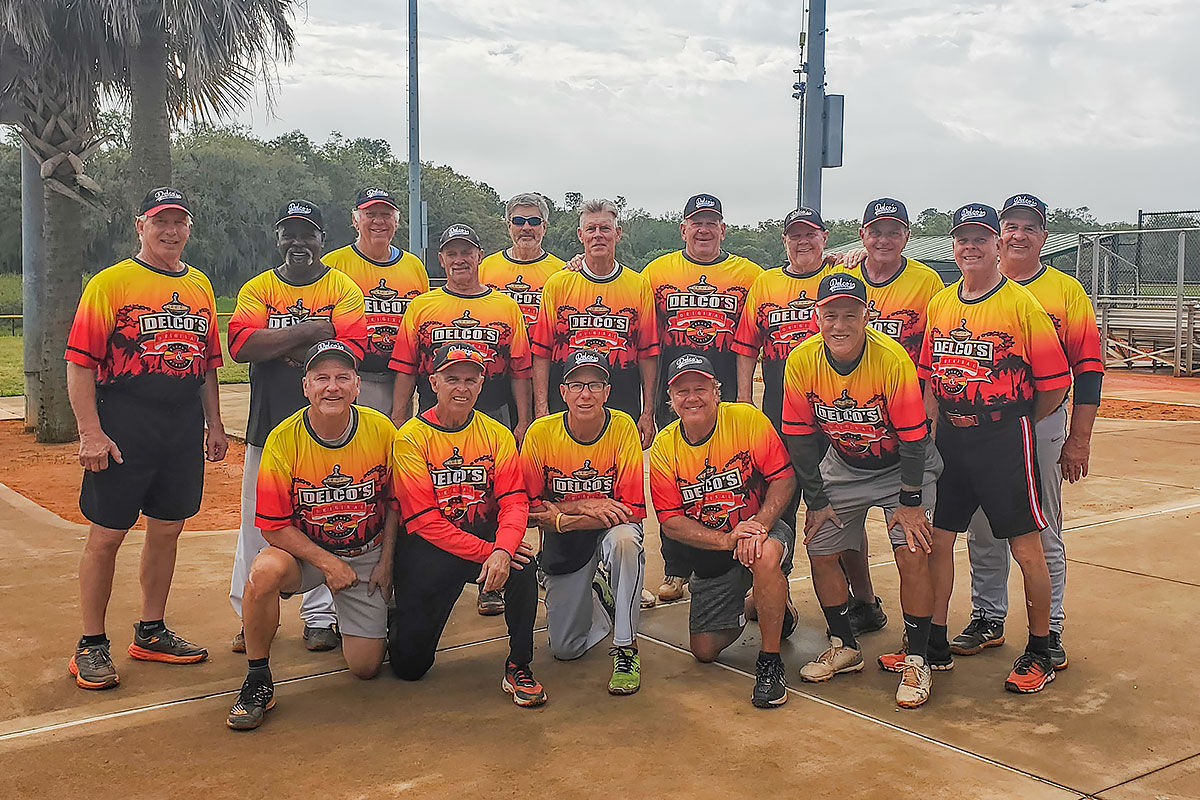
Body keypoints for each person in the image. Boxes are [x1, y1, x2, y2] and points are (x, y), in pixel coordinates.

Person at [882, 203, 1071, 694]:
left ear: (998, 245)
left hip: (1003, 436)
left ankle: (1040, 648)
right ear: (953, 247)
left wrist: (1019, 420)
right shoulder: (943, 302)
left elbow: (1055, 381)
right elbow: (929, 376)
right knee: (940, 539)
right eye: (963, 239)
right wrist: (927, 432)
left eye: (981, 239)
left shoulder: (1019, 304)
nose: (971, 247)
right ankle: (933, 641)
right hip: (953, 437)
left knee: (1025, 545)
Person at [64, 187, 228, 690]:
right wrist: (90, 432)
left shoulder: (199, 285)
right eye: (161, 221)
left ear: (189, 229)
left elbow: (208, 366)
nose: (171, 231)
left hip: (180, 425)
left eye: (179, 222)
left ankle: (151, 631)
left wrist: (215, 423)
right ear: (140, 226)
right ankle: (90, 643)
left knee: (167, 528)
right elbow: (80, 363)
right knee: (108, 533)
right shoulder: (111, 283)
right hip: (124, 420)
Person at [951, 194, 1104, 671]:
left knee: (1041, 527)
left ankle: (1049, 626)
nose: (1019, 235)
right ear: (998, 237)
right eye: (1011, 226)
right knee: (983, 526)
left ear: (1043, 236)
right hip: (986, 429)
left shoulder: (1064, 290)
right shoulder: (966, 286)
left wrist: (1078, 437)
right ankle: (988, 615)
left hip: (1040, 421)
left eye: (1029, 227)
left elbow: (1088, 369)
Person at [781, 274, 941, 708]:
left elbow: (914, 440)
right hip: (845, 463)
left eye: (850, 315)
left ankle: (918, 658)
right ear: (816, 317)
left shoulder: (891, 359)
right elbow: (799, 435)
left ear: (866, 316)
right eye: (830, 314)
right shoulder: (802, 360)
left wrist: (911, 503)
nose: (840, 325)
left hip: (901, 467)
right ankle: (844, 645)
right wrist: (816, 500)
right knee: (820, 547)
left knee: (912, 549)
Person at [226, 340, 397, 730]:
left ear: (357, 385)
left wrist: (386, 563)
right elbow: (272, 525)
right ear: (306, 386)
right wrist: (328, 564)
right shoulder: (283, 438)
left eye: (342, 377)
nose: (332, 387)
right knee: (264, 571)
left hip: (366, 552)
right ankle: (257, 678)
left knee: (365, 667)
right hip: (307, 555)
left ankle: (369, 615)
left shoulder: (381, 430)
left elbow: (395, 503)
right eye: (321, 378)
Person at [226, 199, 368, 654]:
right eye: (290, 233)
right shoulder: (259, 287)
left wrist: (275, 339)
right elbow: (241, 345)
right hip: (268, 423)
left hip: (327, 427)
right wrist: (311, 330)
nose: (298, 242)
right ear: (278, 238)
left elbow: (352, 350)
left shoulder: (343, 286)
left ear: (322, 240)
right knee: (256, 524)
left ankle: (320, 617)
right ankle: (250, 615)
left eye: (307, 234)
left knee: (327, 518)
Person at [389, 343, 546, 707]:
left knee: (523, 564)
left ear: (481, 384)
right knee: (409, 667)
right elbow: (425, 521)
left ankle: (519, 664)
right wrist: (491, 552)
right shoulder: (411, 437)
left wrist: (504, 550)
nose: (462, 388)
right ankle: (395, 616)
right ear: (433, 382)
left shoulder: (497, 433)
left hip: (483, 540)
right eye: (452, 379)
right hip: (430, 550)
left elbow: (514, 501)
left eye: (470, 380)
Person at [389, 223, 532, 616]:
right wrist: (399, 417)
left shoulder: (505, 306)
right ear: (441, 259)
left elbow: (520, 369)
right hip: (435, 410)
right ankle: (421, 573)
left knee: (488, 497)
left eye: (466, 251)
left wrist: (523, 419)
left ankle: (491, 580)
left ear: (479, 256)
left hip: (493, 409)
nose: (459, 259)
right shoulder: (423, 306)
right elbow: (405, 367)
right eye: (451, 252)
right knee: (435, 493)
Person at [649, 354, 797, 709]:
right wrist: (727, 540)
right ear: (671, 399)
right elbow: (670, 520)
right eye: (682, 391)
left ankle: (770, 662)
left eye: (700, 388)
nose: (692, 398)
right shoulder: (665, 446)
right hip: (715, 548)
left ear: (716, 391)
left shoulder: (746, 420)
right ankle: (762, 603)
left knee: (764, 556)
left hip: (762, 530)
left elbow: (784, 478)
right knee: (704, 650)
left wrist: (758, 527)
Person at [640, 194, 763, 603]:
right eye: (697, 222)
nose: (704, 229)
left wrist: (743, 396)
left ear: (723, 229)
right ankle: (676, 568)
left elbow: (752, 337)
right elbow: (641, 329)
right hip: (676, 391)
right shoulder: (657, 272)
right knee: (677, 481)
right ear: (683, 229)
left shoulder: (748, 274)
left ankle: (742, 558)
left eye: (712, 222)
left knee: (731, 476)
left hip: (721, 389)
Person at [521, 350, 647, 695]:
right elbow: (530, 510)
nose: (585, 394)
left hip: (608, 530)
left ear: (608, 391)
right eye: (576, 385)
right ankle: (600, 595)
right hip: (566, 538)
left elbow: (631, 510)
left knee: (626, 541)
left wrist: (561, 517)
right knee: (566, 649)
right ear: (563, 392)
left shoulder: (622, 426)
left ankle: (626, 646)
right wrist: (586, 507)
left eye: (594, 384)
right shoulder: (541, 433)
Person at [531, 199, 659, 450]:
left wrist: (648, 413)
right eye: (591, 229)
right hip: (566, 403)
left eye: (605, 228)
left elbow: (647, 354)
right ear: (581, 235)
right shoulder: (558, 285)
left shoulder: (638, 285)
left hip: (622, 401)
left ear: (617, 233)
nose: (598, 235)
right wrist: (541, 409)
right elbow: (542, 353)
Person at [324, 187, 428, 414]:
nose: (379, 221)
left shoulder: (414, 267)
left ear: (396, 222)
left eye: (386, 214)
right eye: (370, 214)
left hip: (399, 380)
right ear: (355, 220)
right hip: (350, 378)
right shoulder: (333, 264)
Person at [833, 199, 945, 364]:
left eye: (893, 233)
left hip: (904, 378)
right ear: (862, 235)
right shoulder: (841, 275)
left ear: (907, 236)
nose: (884, 240)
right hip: (845, 378)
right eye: (875, 233)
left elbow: (937, 343)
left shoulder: (927, 281)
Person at [479, 192, 566, 329]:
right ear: (509, 226)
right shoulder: (485, 268)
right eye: (518, 221)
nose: (526, 228)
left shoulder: (561, 271)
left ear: (544, 227)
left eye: (534, 221)